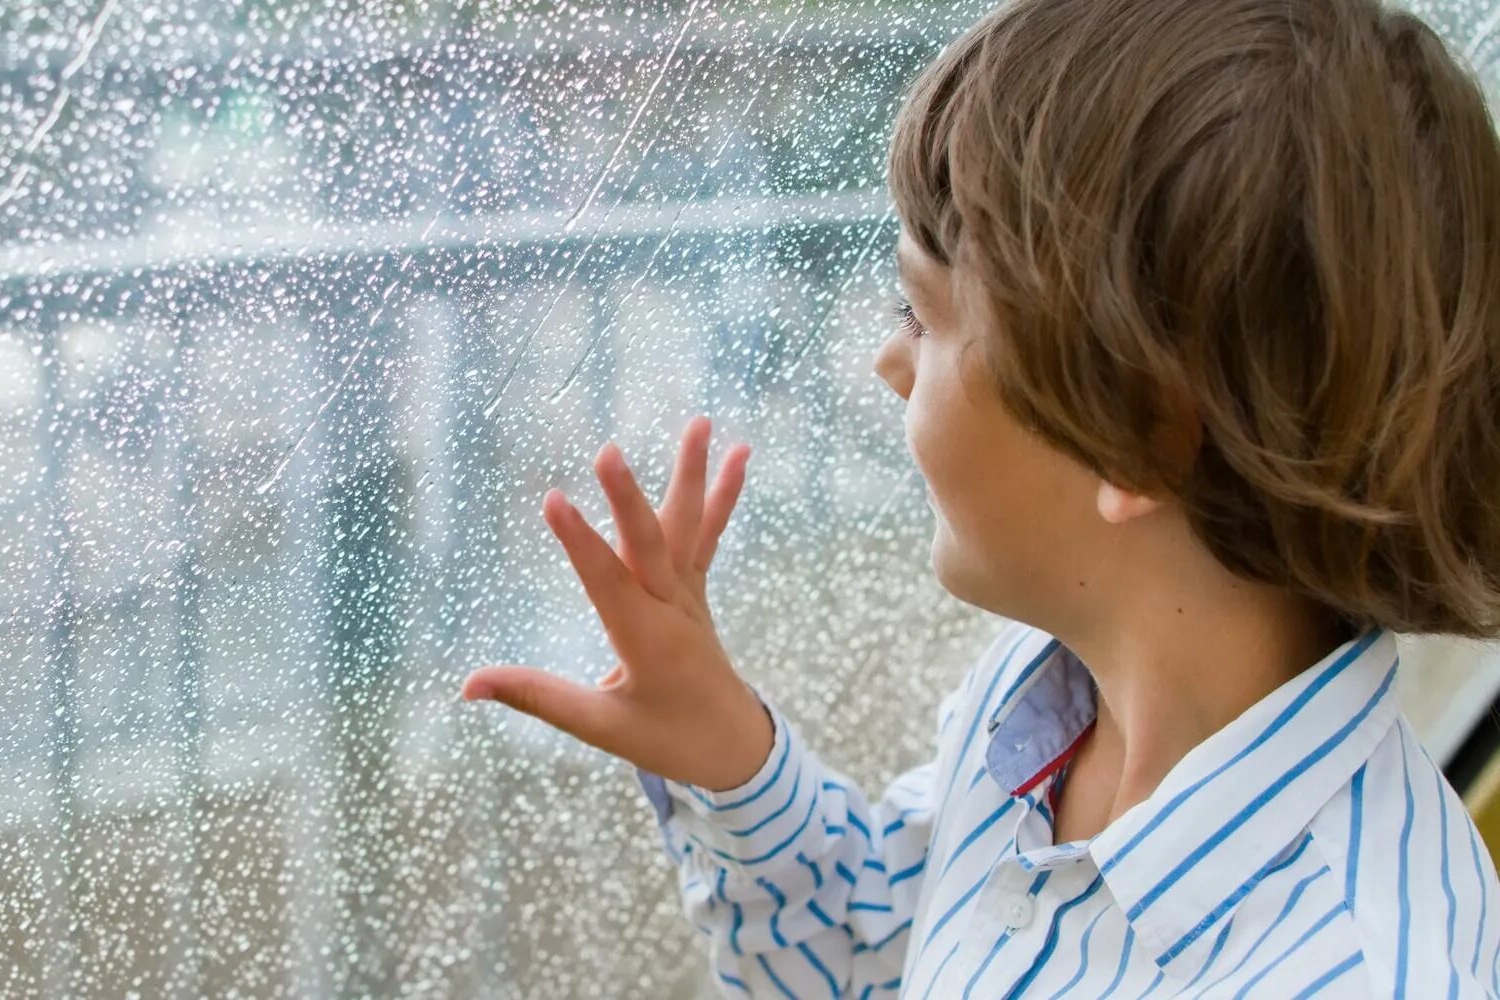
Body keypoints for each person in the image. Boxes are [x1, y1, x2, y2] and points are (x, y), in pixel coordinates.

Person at [460, 0, 1500, 995]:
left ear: (1134, 434)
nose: (887, 361)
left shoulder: (1359, 970)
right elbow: (879, 957)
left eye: (920, 314)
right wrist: (726, 754)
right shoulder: (1040, 701)